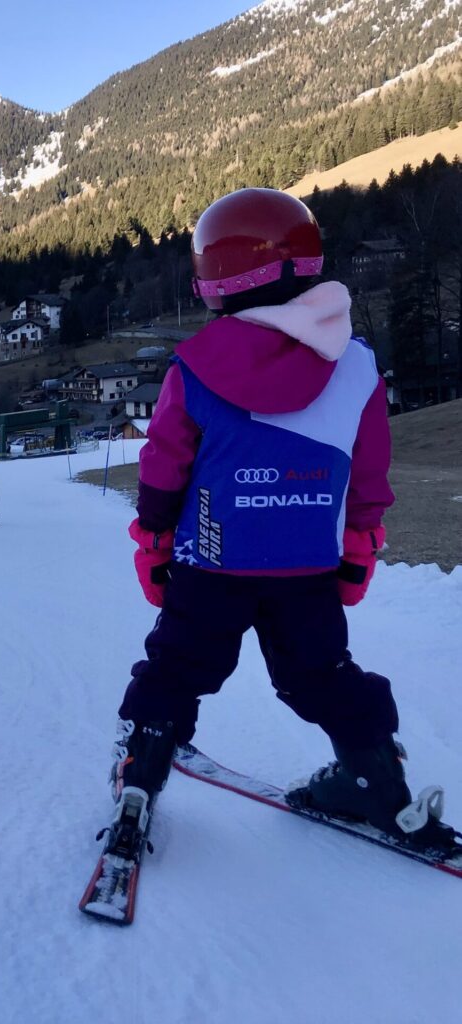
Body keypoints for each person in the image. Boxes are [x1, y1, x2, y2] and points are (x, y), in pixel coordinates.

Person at [103, 186, 456, 858]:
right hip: (308, 568)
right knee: (321, 675)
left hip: (211, 563)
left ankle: (138, 778)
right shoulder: (356, 366)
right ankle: (377, 783)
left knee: (176, 669)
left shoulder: (194, 366)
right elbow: (369, 474)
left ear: (216, 275)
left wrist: (153, 540)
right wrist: (359, 547)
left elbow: (163, 467)